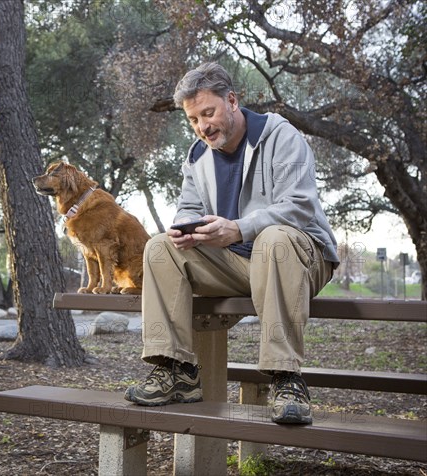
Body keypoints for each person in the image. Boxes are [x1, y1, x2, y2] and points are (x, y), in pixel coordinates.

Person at [124, 62, 339, 424]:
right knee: (160, 247)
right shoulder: (196, 156)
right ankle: (176, 371)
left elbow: (298, 207)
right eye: (193, 119)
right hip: (238, 263)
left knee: (274, 239)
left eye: (208, 113)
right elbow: (188, 208)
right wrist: (186, 229)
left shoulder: (281, 136)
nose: (202, 126)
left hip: (299, 257)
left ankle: (286, 378)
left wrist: (238, 229)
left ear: (232, 101)